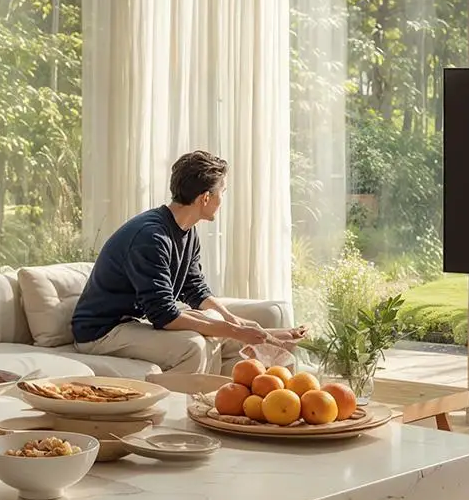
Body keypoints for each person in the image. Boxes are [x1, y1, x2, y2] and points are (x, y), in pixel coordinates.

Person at [71, 150, 306, 374]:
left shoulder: (187, 231)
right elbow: (164, 315)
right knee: (193, 345)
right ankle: (188, 408)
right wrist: (233, 330)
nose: (223, 199)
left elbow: (193, 288)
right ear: (205, 197)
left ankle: (268, 347)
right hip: (102, 332)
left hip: (134, 323)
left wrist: (233, 320)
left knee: (214, 323)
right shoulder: (150, 237)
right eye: (222, 192)